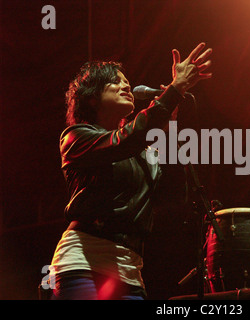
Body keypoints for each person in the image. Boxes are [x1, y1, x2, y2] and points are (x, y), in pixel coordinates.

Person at [49, 43, 212, 300]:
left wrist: (169, 127)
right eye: (115, 82)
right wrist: (174, 90)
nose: (126, 86)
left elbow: (172, 196)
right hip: (83, 263)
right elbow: (123, 141)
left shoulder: (143, 152)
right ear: (91, 96)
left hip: (130, 270)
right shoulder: (75, 138)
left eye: (127, 82)